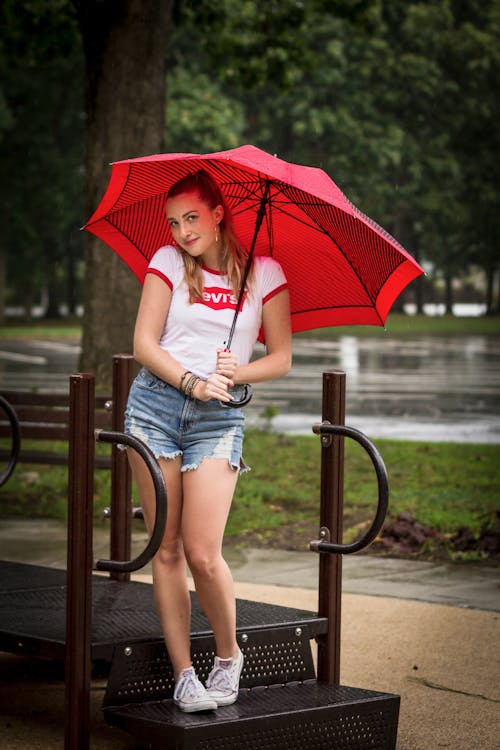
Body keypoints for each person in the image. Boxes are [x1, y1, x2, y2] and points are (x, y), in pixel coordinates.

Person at [124, 169, 291, 713]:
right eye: (174, 222)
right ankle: (182, 675)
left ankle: (226, 657)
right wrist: (192, 378)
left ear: (219, 214)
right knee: (166, 549)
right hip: (154, 408)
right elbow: (145, 344)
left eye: (192, 218)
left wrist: (236, 372)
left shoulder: (264, 274)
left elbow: (282, 359)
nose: (182, 231)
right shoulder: (168, 262)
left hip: (217, 421)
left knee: (202, 551)